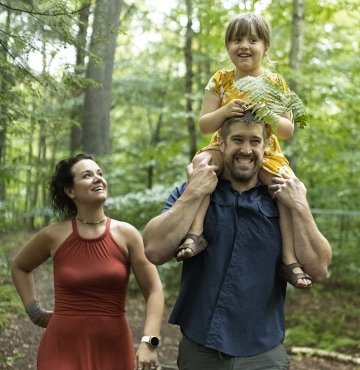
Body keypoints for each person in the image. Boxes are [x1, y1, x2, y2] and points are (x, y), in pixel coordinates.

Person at [143, 112, 332, 370]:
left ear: (266, 146)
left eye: (255, 141)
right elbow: (154, 250)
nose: (246, 150)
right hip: (200, 352)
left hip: (263, 354)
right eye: (238, 140)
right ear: (221, 143)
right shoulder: (194, 191)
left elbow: (318, 269)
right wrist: (194, 191)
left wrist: (300, 206)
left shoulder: (284, 200)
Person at [175, 13, 310, 289]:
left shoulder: (275, 83)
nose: (244, 45)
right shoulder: (221, 80)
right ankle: (195, 232)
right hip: (223, 147)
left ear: (266, 47)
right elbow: (203, 123)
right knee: (200, 164)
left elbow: (287, 129)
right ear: (228, 47)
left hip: (266, 151)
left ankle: (289, 259)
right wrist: (224, 111)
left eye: (252, 40)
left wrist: (267, 113)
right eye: (237, 40)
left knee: (288, 188)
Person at [11, 153, 164, 370]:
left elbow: (154, 289)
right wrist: (35, 313)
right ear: (70, 190)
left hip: (114, 347)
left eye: (100, 174)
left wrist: (150, 341)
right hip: (61, 347)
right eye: (87, 175)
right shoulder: (54, 235)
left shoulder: (127, 234)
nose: (98, 178)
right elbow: (20, 266)